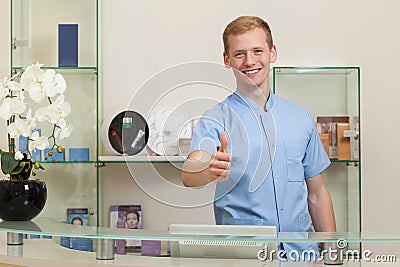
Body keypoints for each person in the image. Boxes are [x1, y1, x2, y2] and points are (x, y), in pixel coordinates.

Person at [181, 15, 336, 260]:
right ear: (227, 60)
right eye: (239, 54)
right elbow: (189, 175)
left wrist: (331, 254)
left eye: (257, 51)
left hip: (301, 257)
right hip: (245, 258)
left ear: (272, 53)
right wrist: (207, 170)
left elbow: (316, 193)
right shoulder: (216, 119)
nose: (250, 61)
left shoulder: (300, 118)